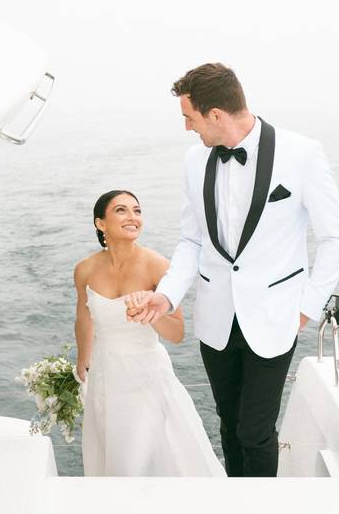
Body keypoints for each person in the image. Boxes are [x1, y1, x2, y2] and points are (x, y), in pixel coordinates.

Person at [128, 63, 339, 477]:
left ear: (216, 115)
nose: (186, 128)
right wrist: (167, 294)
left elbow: (336, 238)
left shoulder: (302, 153)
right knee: (229, 426)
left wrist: (307, 308)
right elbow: (192, 241)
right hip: (216, 319)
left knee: (255, 430)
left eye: (189, 118)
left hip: (277, 316)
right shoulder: (194, 161)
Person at [73, 189, 225, 477]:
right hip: (105, 378)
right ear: (100, 223)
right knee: (112, 455)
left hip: (146, 378)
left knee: (135, 460)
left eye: (137, 210)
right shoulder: (84, 270)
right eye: (121, 210)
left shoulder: (157, 265)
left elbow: (177, 333)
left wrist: (150, 314)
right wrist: (83, 359)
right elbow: (83, 316)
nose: (133, 217)